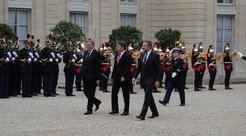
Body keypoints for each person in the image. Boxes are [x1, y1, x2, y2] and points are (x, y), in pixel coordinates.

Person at [133, 40, 162, 120]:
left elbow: (159, 69)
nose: (143, 47)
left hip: (151, 79)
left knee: (147, 97)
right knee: (149, 96)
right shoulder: (141, 55)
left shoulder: (155, 55)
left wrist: (158, 80)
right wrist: (134, 77)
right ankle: (155, 112)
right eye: (143, 45)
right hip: (144, 79)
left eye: (144, 46)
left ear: (149, 46)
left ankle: (142, 115)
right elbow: (139, 68)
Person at [109, 41, 131, 116]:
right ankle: (115, 109)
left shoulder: (127, 55)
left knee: (125, 94)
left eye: (118, 46)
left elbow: (128, 68)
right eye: (117, 46)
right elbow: (115, 67)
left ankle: (126, 110)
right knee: (114, 93)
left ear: (122, 47)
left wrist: (124, 76)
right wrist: (112, 76)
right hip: (116, 78)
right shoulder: (117, 55)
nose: (117, 48)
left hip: (124, 78)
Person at [82, 40, 102, 115]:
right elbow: (84, 64)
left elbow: (98, 67)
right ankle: (97, 102)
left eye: (88, 45)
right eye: (86, 45)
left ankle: (89, 109)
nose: (87, 46)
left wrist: (98, 78)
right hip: (85, 76)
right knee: (85, 92)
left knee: (91, 93)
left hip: (93, 76)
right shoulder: (85, 53)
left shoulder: (96, 54)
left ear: (92, 45)